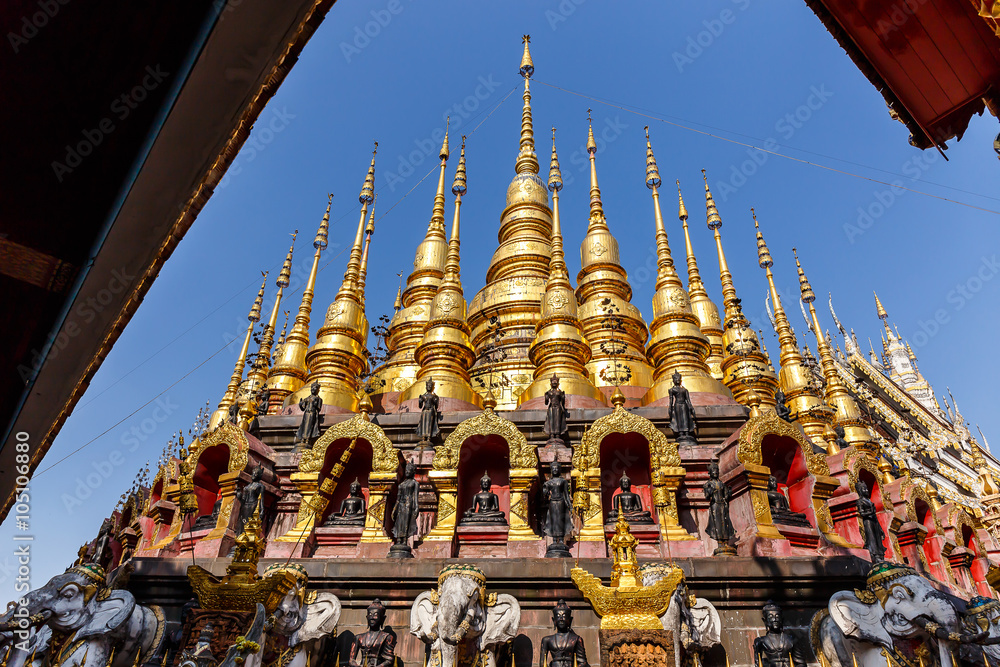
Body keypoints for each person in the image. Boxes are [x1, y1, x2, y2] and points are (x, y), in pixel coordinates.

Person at [752, 601, 807, 667]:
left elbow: (801, 663)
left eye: (777, 617)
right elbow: (758, 664)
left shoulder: (790, 639)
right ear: (765, 621)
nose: (774, 619)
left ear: (782, 620)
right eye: (771, 617)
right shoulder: (761, 641)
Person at [539, 599, 589, 667]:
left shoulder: (576, 639)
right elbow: (542, 663)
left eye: (564, 616)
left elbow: (583, 662)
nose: (561, 619)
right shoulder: (547, 640)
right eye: (558, 616)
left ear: (570, 620)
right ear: (554, 620)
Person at [348, 599, 395, 667]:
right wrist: (357, 666)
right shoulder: (358, 637)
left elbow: (389, 659)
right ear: (367, 617)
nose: (372, 618)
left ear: (382, 618)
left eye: (375, 615)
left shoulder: (386, 637)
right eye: (370, 614)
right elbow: (351, 660)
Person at [541, 461, 574, 557]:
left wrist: (570, 506)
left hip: (561, 502)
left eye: (557, 468)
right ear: (551, 470)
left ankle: (561, 540)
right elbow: (545, 496)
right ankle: (554, 540)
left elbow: (566, 495)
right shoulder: (549, 483)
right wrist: (545, 490)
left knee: (561, 520)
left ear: (559, 470)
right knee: (553, 521)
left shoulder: (563, 481)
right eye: (553, 468)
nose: (555, 470)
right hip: (552, 502)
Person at [703, 461, 735, 553]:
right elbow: (707, 497)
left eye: (716, 470)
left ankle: (726, 542)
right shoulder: (708, 484)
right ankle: (720, 542)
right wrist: (709, 491)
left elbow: (725, 496)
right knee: (717, 524)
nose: (715, 472)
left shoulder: (722, 484)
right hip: (715, 505)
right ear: (710, 472)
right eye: (713, 470)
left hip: (723, 505)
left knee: (725, 523)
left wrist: (729, 493)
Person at [390, 462, 420, 557]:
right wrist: (394, 509)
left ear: (413, 472)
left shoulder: (415, 483)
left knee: (406, 522)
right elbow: (398, 499)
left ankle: (404, 540)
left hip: (409, 504)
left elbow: (415, 497)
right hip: (401, 505)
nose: (407, 472)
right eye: (406, 470)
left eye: (409, 470)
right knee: (399, 522)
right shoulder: (401, 484)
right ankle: (399, 540)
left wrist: (416, 507)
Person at [856, 480, 886, 562]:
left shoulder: (869, 501)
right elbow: (862, 513)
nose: (866, 491)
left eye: (866, 489)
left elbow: (875, 515)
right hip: (868, 521)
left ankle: (880, 555)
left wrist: (880, 529)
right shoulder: (860, 501)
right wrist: (870, 512)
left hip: (874, 521)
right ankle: (874, 555)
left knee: (877, 538)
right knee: (871, 538)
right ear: (860, 491)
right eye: (864, 489)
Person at [668, 371, 697, 445]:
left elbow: (688, 400)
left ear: (680, 380)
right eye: (675, 379)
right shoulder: (672, 390)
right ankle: (681, 432)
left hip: (684, 405)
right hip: (677, 404)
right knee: (679, 418)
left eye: (678, 379)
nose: (677, 380)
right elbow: (671, 401)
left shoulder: (684, 390)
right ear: (673, 381)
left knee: (685, 418)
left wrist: (691, 408)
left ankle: (687, 432)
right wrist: (670, 408)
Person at [295, 382, 323, 446]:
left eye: (315, 388)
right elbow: (303, 408)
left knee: (309, 426)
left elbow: (319, 408)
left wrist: (315, 404)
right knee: (304, 426)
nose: (313, 389)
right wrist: (300, 404)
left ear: (318, 390)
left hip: (312, 413)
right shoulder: (307, 399)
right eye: (312, 388)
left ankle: (307, 439)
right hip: (306, 413)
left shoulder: (318, 399)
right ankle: (303, 439)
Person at [544, 375, 569, 444]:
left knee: (558, 421)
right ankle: (552, 434)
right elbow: (546, 403)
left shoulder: (560, 392)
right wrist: (546, 396)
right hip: (551, 407)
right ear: (550, 384)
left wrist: (563, 396)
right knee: (551, 421)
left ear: (558, 384)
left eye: (555, 383)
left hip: (558, 407)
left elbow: (562, 402)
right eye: (553, 382)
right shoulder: (549, 392)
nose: (554, 384)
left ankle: (557, 434)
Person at [416, 379, 442, 444]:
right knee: (424, 423)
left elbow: (436, 406)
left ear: (432, 387)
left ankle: (428, 437)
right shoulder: (423, 396)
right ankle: (423, 436)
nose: (429, 387)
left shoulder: (434, 396)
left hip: (431, 410)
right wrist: (420, 400)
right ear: (426, 387)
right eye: (428, 385)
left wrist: (436, 400)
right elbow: (420, 406)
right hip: (425, 410)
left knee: (429, 423)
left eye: (430, 386)